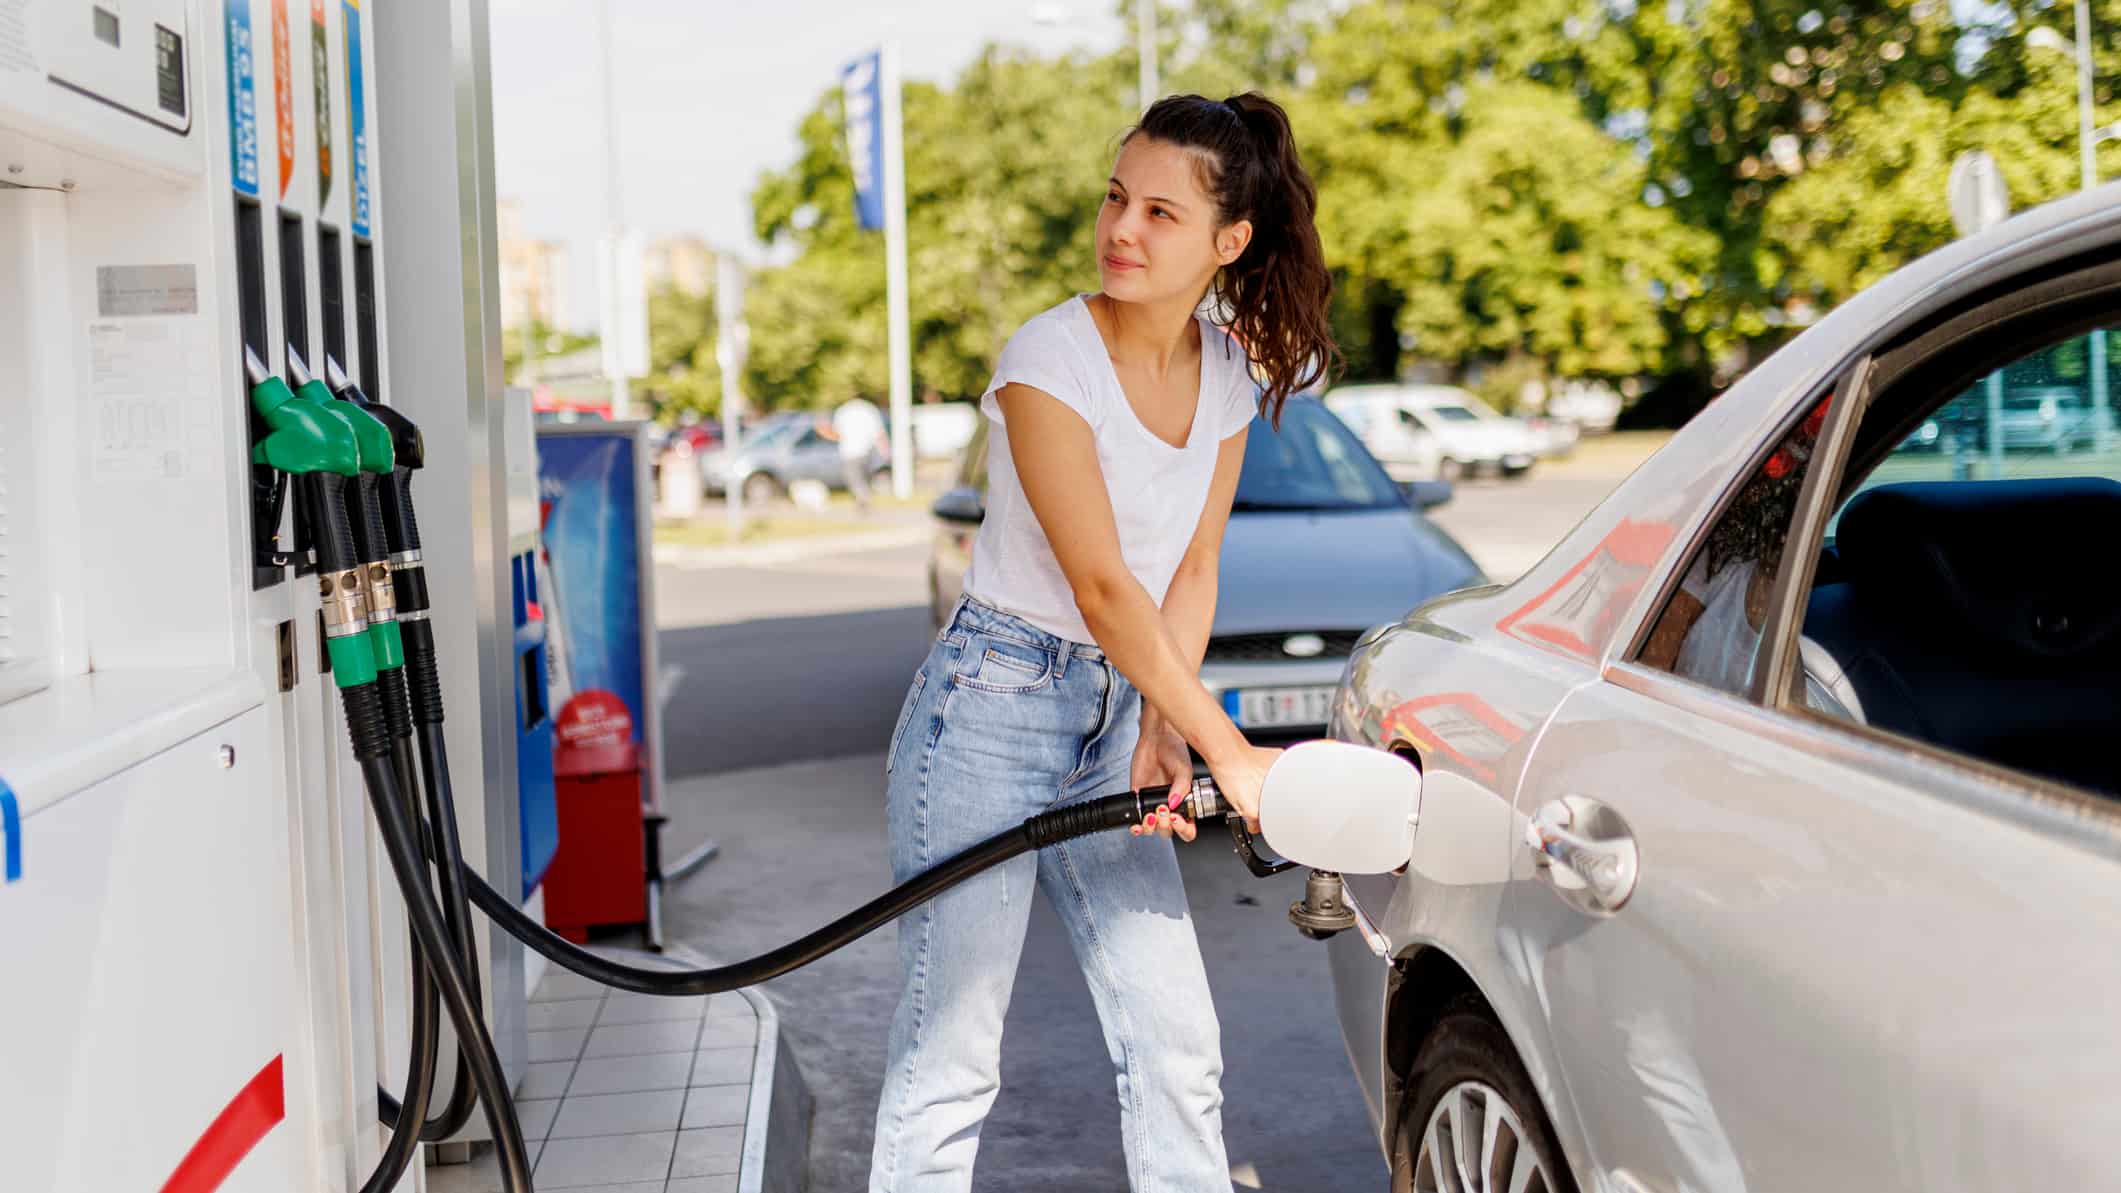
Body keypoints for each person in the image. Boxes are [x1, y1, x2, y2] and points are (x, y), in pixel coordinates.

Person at [869, 92, 1339, 1192]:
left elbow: (1193, 568)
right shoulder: (1049, 360)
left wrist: (1165, 729)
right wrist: (1229, 747)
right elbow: (1100, 584)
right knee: (952, 1055)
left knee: (1175, 1040)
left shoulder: (1225, 372)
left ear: (1231, 242)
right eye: (1117, 198)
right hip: (987, 704)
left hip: (1116, 712)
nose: (1123, 228)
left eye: (1161, 214)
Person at [826, 395, 887, 512]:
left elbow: (837, 433)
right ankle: (864, 498)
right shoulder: (869, 409)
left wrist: (824, 432)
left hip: (849, 450)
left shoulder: (843, 411)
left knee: (853, 477)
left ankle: (862, 498)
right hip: (867, 449)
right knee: (864, 476)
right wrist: (884, 450)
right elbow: (879, 432)